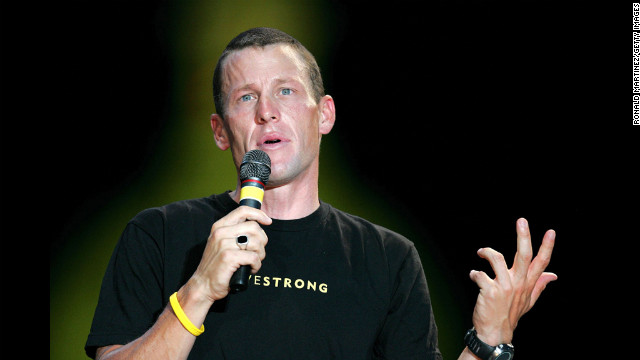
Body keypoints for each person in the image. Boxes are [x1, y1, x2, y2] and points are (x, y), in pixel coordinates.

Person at [85, 27, 557, 360]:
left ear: (324, 115)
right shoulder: (158, 234)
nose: (267, 112)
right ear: (220, 131)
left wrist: (490, 339)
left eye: (286, 92)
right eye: (246, 97)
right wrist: (198, 292)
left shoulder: (388, 258)